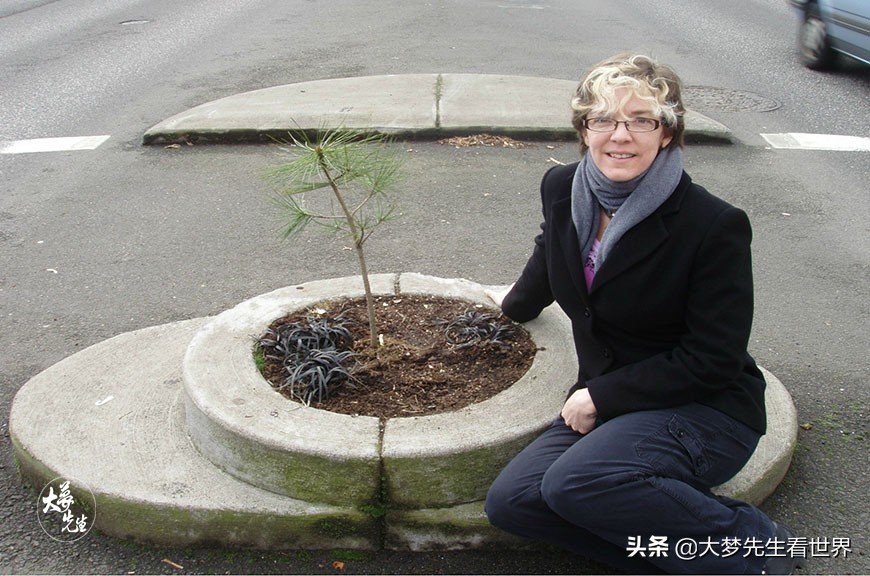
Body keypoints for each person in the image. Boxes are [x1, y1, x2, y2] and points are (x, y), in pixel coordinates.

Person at [484, 53, 800, 574]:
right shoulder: (563, 189)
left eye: (641, 120)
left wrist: (600, 396)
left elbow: (713, 357)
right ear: (584, 130)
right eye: (602, 119)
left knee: (573, 484)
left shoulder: (712, 224)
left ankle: (755, 548)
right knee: (513, 503)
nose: (620, 135)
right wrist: (513, 306)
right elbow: (550, 255)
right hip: (616, 398)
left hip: (703, 406)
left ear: (668, 132)